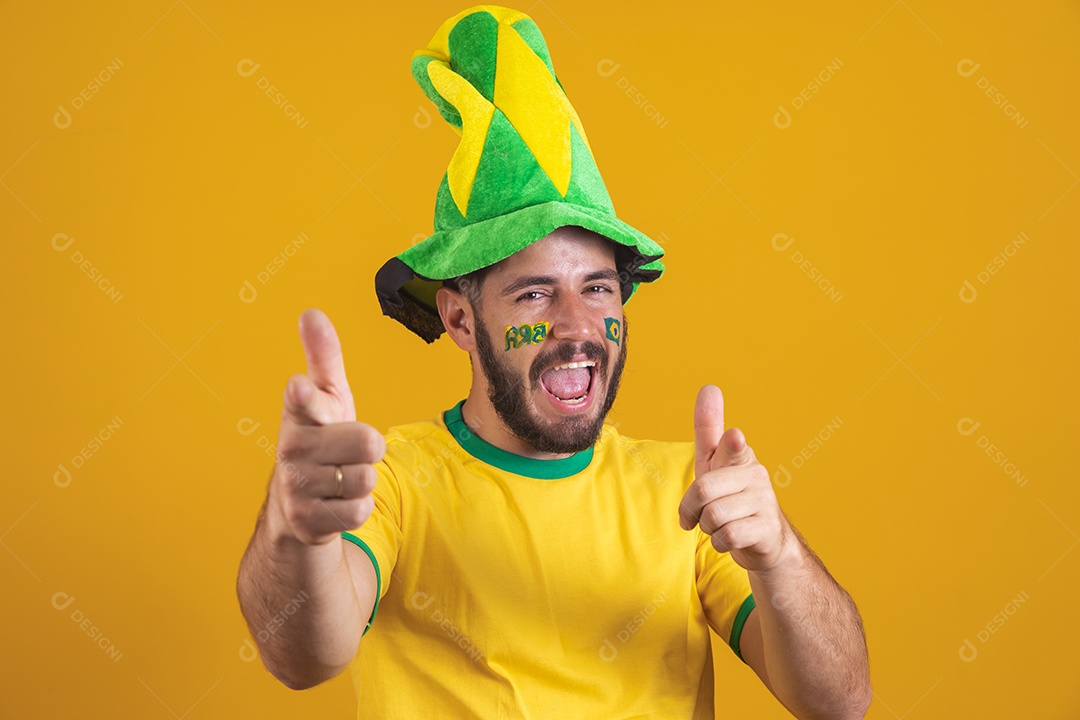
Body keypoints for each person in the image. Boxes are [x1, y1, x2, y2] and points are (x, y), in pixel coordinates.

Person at [237, 6, 870, 719]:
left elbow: (839, 702)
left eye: (598, 288)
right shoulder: (390, 483)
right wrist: (295, 530)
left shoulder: (692, 494)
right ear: (459, 319)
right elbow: (300, 656)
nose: (577, 328)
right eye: (535, 293)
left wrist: (779, 552)